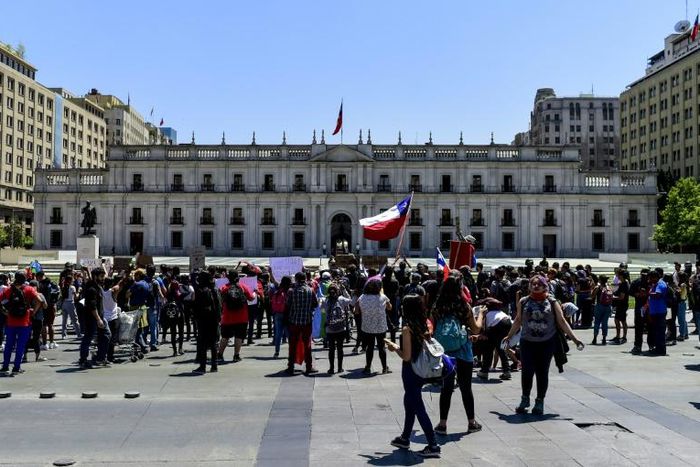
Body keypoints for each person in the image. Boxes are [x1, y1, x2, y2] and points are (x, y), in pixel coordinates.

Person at [503, 275, 583, 415]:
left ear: (545, 286)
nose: (535, 286)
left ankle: (540, 401)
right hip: (527, 342)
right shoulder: (524, 301)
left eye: (539, 284)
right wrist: (508, 336)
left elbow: (562, 321)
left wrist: (575, 339)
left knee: (542, 372)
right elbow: (518, 320)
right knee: (526, 372)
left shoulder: (552, 302)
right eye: (533, 284)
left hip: (546, 343)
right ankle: (525, 399)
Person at [386, 294, 441, 458]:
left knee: (417, 406)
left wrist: (394, 346)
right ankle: (404, 437)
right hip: (421, 369)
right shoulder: (424, 324)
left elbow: (406, 356)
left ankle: (433, 444)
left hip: (410, 370)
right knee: (409, 402)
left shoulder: (407, 328)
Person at [432, 274, 483, 436]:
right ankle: (471, 422)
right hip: (463, 352)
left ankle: (442, 424)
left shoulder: (438, 305)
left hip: (444, 353)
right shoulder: (463, 305)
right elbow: (476, 329)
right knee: (466, 388)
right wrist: (480, 314)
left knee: (446, 388)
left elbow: (431, 327)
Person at [1, 272, 41, 375]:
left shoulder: (8, 289)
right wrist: (33, 312)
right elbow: (39, 300)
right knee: (21, 346)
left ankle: (5, 367)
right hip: (25, 322)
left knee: (9, 345)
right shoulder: (29, 289)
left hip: (11, 321)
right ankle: (16, 367)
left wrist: (4, 312)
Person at [285, 272, 318, 375]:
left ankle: (291, 366)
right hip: (307, 321)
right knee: (307, 344)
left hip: (294, 321)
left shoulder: (291, 291)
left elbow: (287, 305)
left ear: (296, 279)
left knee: (292, 344)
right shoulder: (310, 290)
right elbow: (315, 304)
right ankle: (309, 367)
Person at [218, 271, 254, 363]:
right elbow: (251, 298)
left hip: (227, 317)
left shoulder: (224, 287)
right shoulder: (242, 287)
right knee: (239, 336)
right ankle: (236, 356)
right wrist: (254, 292)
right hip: (241, 316)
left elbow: (220, 300)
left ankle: (220, 355)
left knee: (225, 337)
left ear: (228, 278)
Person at [357, 278, 391, 375]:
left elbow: (357, 310)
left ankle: (368, 367)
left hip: (367, 327)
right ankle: (384, 368)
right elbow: (389, 307)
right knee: (381, 348)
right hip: (380, 326)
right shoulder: (383, 297)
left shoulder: (362, 297)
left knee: (369, 347)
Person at [79, 268, 110, 369]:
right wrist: (98, 319)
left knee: (106, 335)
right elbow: (92, 306)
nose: (103, 279)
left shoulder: (97, 287)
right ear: (95, 277)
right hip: (92, 318)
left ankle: (100, 358)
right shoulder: (92, 289)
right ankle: (83, 360)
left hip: (99, 317)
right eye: (101, 277)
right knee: (88, 338)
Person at [476, 297, 512, 380]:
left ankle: (484, 371)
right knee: (502, 348)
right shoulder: (501, 312)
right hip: (507, 322)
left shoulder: (487, 314)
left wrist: (483, 335)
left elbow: (485, 328)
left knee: (488, 349)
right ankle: (507, 371)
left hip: (497, 325)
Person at [193, 271, 222, 373]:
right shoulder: (215, 289)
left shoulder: (201, 291)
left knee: (203, 344)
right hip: (214, 320)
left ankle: (203, 366)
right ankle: (214, 365)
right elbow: (219, 305)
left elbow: (197, 307)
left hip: (204, 320)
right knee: (213, 343)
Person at [324, 283, 352, 374]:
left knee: (331, 349)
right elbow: (351, 301)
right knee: (340, 348)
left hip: (330, 328)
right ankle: (340, 368)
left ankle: (331, 368)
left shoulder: (325, 300)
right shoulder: (341, 299)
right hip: (340, 328)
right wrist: (344, 290)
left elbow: (321, 309)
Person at [645, 270, 668, 356]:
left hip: (660, 311)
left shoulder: (660, 284)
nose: (650, 280)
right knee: (657, 331)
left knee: (660, 332)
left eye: (651, 278)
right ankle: (658, 348)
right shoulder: (656, 284)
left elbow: (657, 295)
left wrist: (648, 293)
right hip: (655, 311)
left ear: (655, 277)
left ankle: (661, 350)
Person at [36, 272, 60, 350]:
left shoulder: (39, 285)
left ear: (39, 277)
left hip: (42, 306)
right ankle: (52, 342)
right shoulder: (52, 283)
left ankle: (44, 344)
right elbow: (57, 293)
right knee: (51, 324)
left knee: (43, 325)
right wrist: (54, 303)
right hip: (52, 306)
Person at [270, 275, 291, 358]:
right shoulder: (290, 290)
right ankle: (291, 352)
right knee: (289, 334)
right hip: (287, 314)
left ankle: (276, 352)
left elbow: (274, 281)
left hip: (278, 313)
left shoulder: (278, 288)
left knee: (278, 333)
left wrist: (271, 272)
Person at [591, 275, 613, 345]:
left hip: (599, 306)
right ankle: (604, 338)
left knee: (597, 322)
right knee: (605, 323)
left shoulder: (598, 287)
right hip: (608, 306)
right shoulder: (609, 287)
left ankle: (595, 338)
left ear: (600, 280)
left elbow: (592, 296)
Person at [611, 270, 629, 344]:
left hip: (622, 304)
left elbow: (622, 297)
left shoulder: (624, 284)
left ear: (621, 276)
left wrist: (612, 298)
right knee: (620, 320)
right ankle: (619, 336)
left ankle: (622, 337)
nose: (617, 276)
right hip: (622, 304)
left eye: (618, 275)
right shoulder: (624, 283)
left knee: (620, 320)